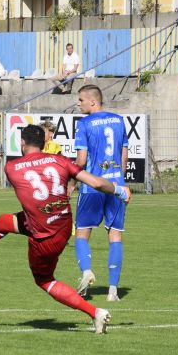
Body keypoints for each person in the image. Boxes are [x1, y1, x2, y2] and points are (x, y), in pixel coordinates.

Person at [0, 123, 130, 335]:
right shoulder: (61, 161)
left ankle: (95, 312)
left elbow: (30, 188)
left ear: (22, 142)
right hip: (64, 225)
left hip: (44, 236)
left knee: (44, 280)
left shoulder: (11, 168)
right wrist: (120, 191)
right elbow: (97, 183)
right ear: (44, 143)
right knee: (4, 222)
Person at [73, 85, 127, 302]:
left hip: (92, 186)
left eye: (81, 100)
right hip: (116, 186)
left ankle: (87, 272)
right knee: (115, 236)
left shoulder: (84, 124)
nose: (79, 103)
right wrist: (119, 183)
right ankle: (113, 291)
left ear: (93, 101)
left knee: (81, 234)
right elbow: (123, 154)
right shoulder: (119, 121)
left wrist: (71, 182)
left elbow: (81, 161)